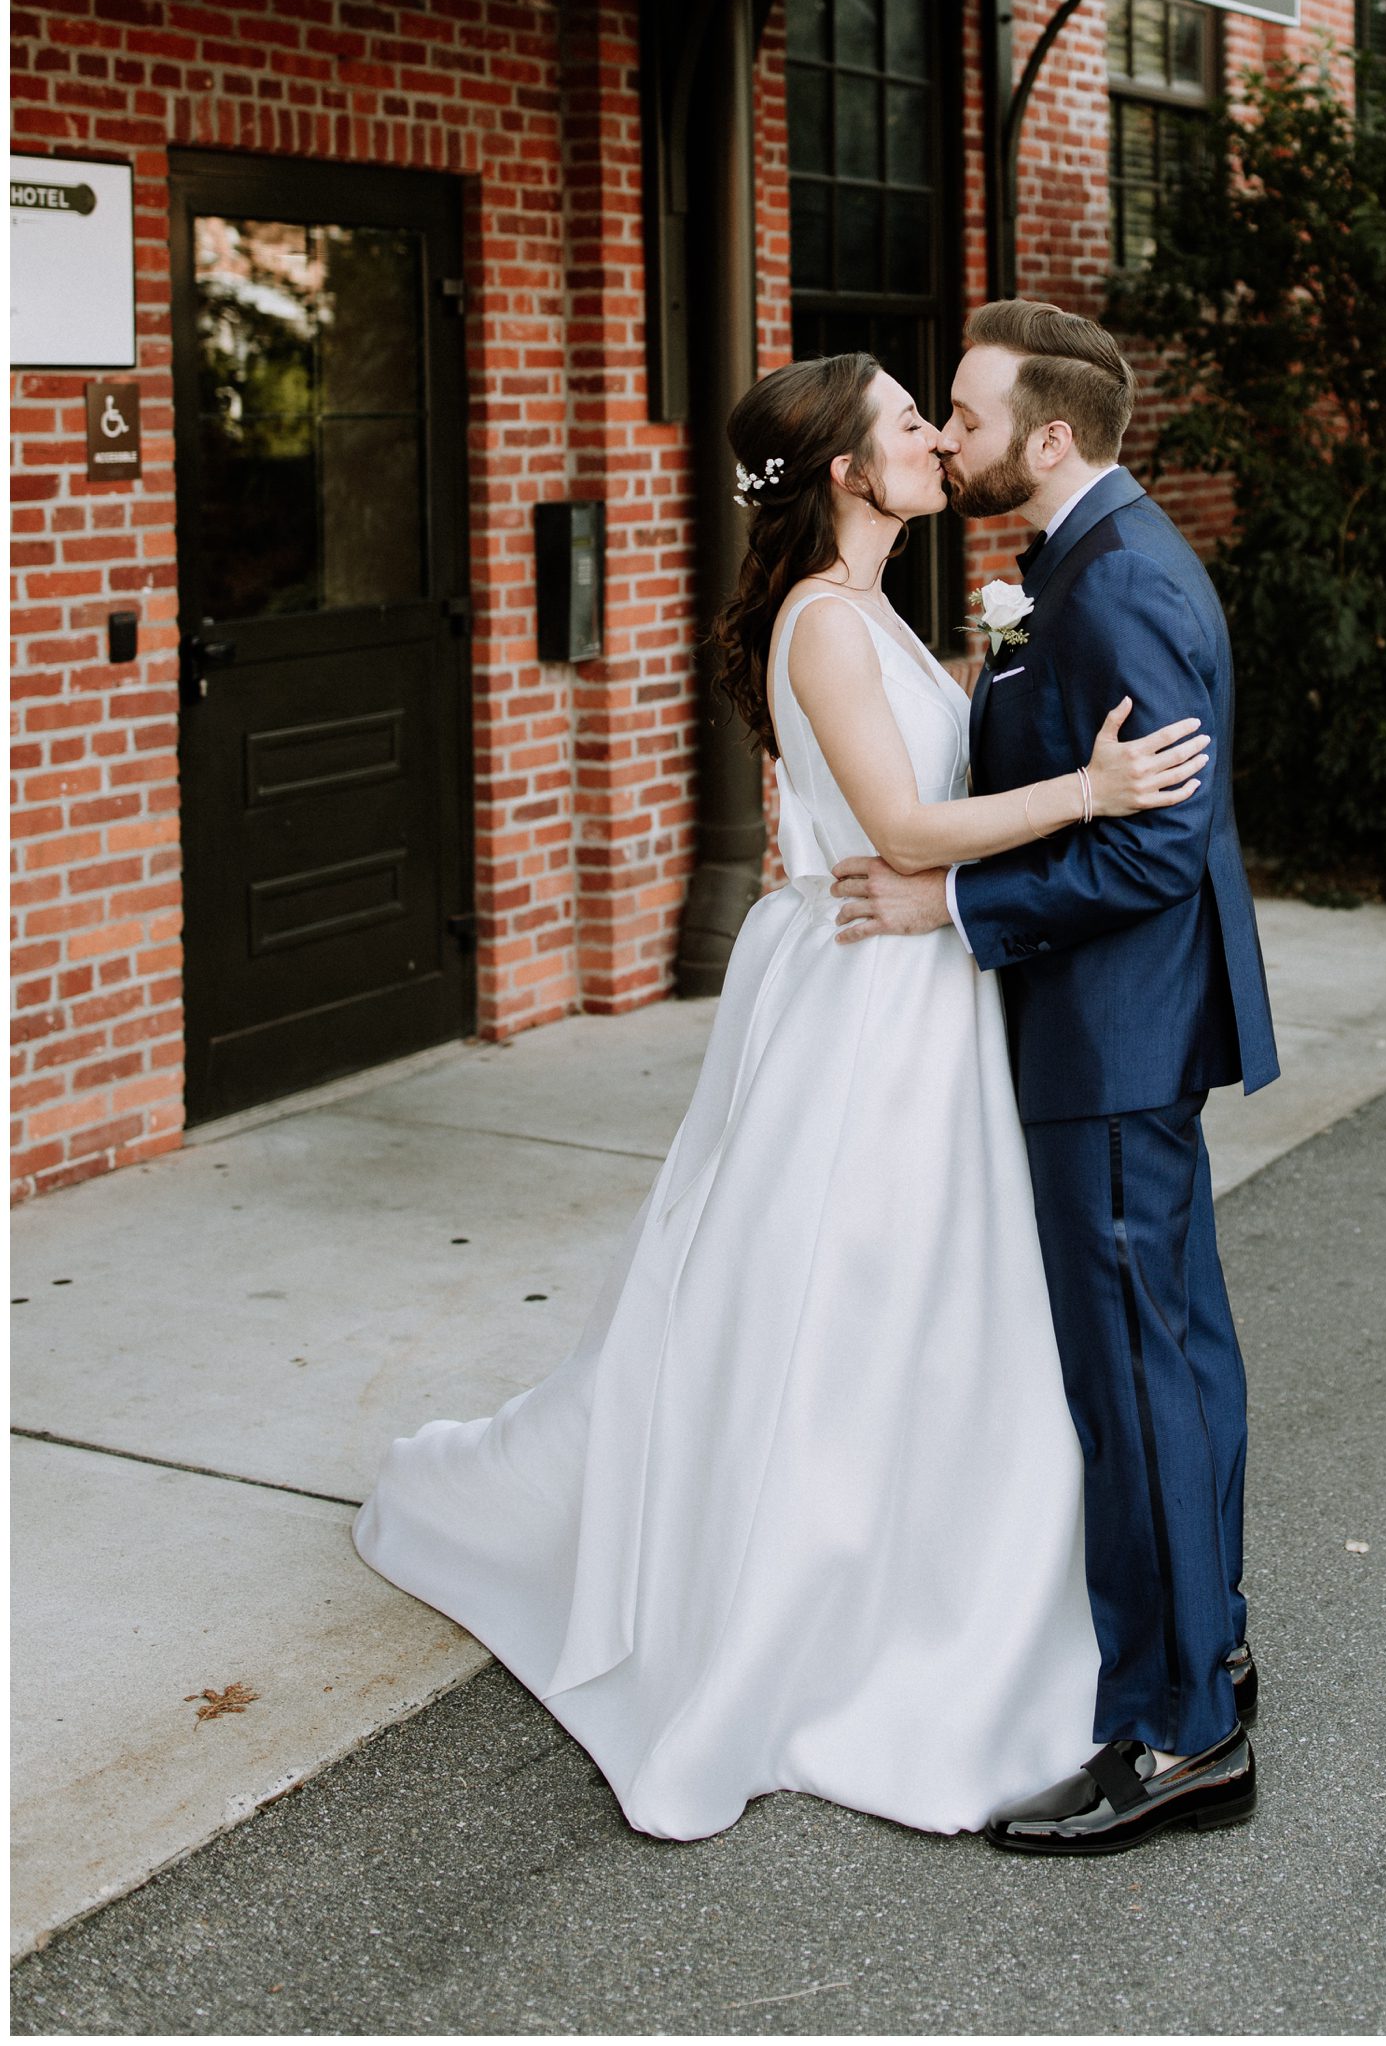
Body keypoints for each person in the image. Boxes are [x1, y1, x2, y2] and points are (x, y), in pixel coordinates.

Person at [353, 350, 1211, 1844]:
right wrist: (1091, 790)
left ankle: (949, 1588)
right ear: (841, 471)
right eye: (904, 425)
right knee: (844, 1295)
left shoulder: (871, 606)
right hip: (868, 1004)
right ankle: (819, 1612)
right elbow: (898, 822)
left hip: (924, 983)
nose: (936, 442)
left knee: (935, 1308)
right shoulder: (822, 620)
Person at [833, 299, 1279, 1858]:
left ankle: (1176, 1733)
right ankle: (1205, 1648)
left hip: (1109, 1037)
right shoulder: (1091, 563)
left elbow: (1154, 840)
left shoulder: (1124, 582)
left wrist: (951, 905)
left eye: (966, 412)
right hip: (1126, 1030)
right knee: (1177, 1352)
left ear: (1054, 436)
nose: (948, 436)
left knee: (1140, 1377)